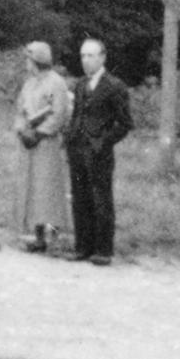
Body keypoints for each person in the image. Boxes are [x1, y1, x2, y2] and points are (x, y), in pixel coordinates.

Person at [64, 37, 132, 265]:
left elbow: (125, 124)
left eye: (91, 55)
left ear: (102, 57)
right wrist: (70, 138)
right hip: (77, 150)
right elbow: (76, 116)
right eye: (83, 56)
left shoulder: (114, 86)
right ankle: (82, 247)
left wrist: (103, 142)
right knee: (79, 198)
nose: (86, 60)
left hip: (99, 152)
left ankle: (103, 250)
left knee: (101, 199)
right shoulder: (81, 84)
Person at [13, 41, 72, 253]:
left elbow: (59, 113)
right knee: (33, 189)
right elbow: (20, 109)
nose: (26, 63)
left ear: (37, 60)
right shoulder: (29, 83)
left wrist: (39, 133)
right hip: (29, 144)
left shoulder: (56, 82)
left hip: (46, 144)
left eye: (29, 59)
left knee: (49, 189)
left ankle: (54, 238)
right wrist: (22, 131)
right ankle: (38, 236)